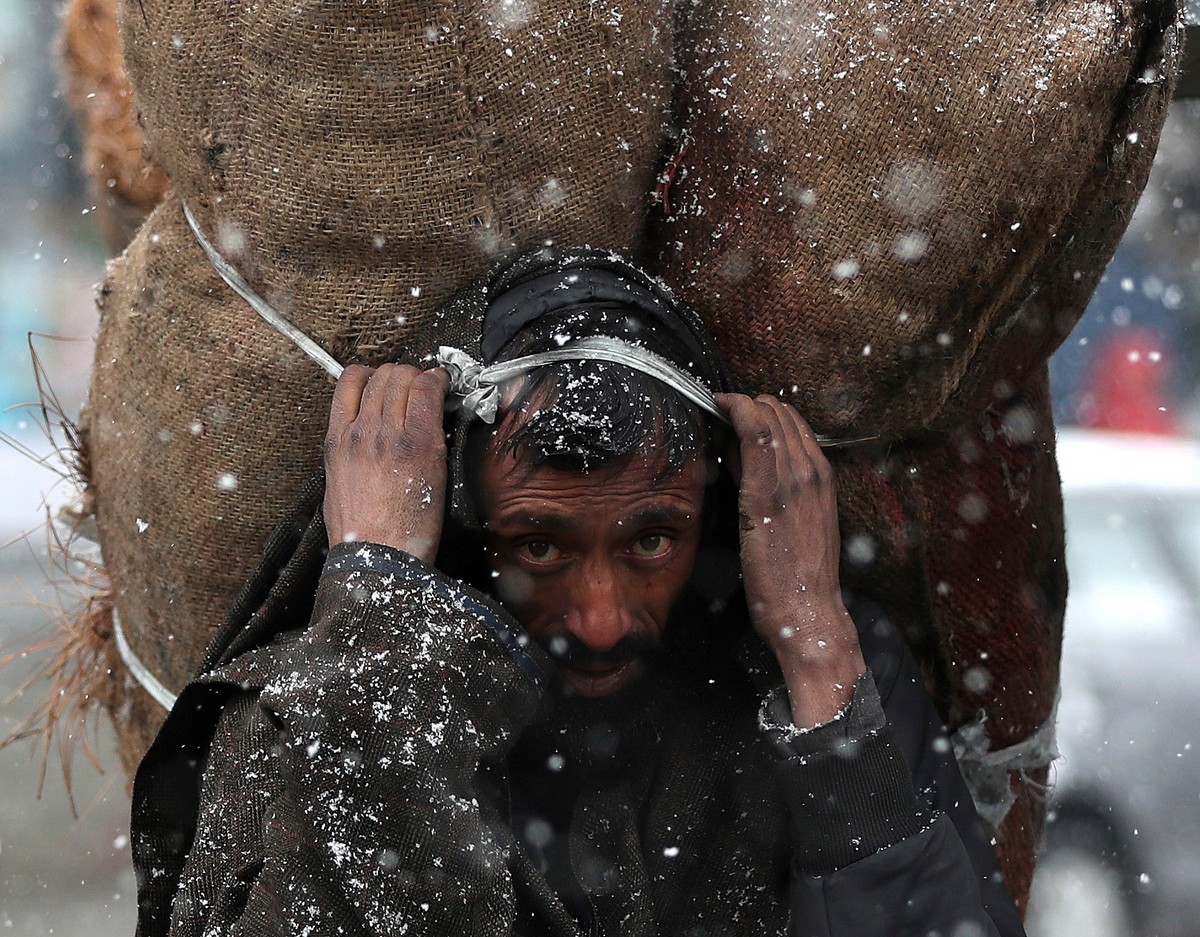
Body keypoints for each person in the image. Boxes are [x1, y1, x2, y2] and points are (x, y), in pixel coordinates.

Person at [130, 248, 1026, 936]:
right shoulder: (321, 696)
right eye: (540, 544)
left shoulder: (814, 676)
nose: (600, 618)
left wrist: (820, 657)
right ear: (460, 524)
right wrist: (380, 609)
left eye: (651, 539)